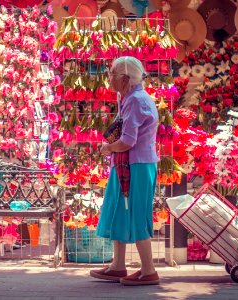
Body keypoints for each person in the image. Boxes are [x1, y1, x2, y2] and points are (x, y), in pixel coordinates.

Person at [90, 56, 159, 286]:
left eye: (113, 74)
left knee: (138, 214)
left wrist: (108, 148)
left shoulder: (136, 100)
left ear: (126, 79)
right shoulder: (129, 97)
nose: (109, 78)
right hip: (129, 164)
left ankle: (148, 270)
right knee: (120, 210)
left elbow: (128, 140)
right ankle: (118, 266)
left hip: (135, 165)